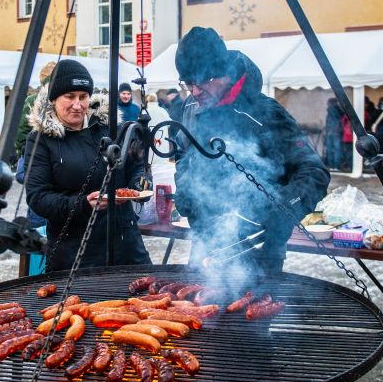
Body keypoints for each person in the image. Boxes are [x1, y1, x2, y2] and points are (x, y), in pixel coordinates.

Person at [172, 27, 329, 273]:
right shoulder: (191, 107)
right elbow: (183, 154)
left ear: (222, 73)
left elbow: (314, 172)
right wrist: (184, 187)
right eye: (188, 83)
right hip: (206, 243)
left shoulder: (266, 113)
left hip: (259, 249)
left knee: (251, 309)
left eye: (202, 82)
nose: (194, 91)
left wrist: (286, 208)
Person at [25, 59, 152, 271]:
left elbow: (135, 164)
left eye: (83, 97)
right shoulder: (41, 140)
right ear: (54, 98)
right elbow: (38, 198)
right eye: (70, 97)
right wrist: (83, 203)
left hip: (125, 242)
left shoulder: (109, 128)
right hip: (75, 250)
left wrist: (140, 183)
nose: (78, 105)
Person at [14, 62, 57, 230]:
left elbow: (20, 132)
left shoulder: (33, 99)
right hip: (40, 158)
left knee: (38, 200)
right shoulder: (35, 100)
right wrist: (29, 150)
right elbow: (22, 131)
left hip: (38, 159)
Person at [144, 93, 171, 163]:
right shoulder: (162, 111)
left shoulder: (145, 111)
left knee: (150, 159)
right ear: (156, 100)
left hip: (149, 139)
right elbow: (169, 123)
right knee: (162, 162)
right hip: (162, 140)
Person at [323, 98, 343, 171]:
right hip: (336, 132)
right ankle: (336, 166)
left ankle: (332, 166)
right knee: (337, 149)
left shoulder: (331, 109)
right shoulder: (338, 110)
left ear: (330, 103)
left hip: (331, 132)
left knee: (330, 149)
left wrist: (327, 131)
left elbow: (330, 122)